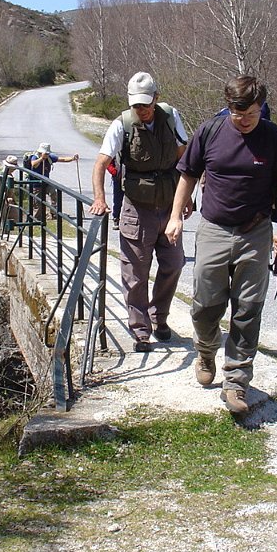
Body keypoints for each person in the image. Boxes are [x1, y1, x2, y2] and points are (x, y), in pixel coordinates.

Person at [165, 75, 277, 414]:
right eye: (239, 113)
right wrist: (175, 216)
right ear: (228, 107)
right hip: (213, 228)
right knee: (205, 304)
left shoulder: (275, 139)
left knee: (248, 308)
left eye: (252, 113)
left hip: (255, 232)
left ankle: (237, 381)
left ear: (261, 108)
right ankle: (206, 351)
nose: (245, 120)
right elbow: (188, 174)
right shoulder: (210, 131)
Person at [91, 71, 191, 352]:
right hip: (137, 209)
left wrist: (186, 198)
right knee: (135, 274)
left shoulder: (171, 117)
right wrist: (100, 198)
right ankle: (140, 330)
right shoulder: (121, 125)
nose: (142, 110)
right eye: (136, 105)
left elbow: (185, 158)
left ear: (156, 98)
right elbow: (101, 163)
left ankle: (160, 318)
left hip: (169, 207)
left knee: (173, 264)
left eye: (146, 104)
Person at [28, 143, 78, 220]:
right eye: (45, 153)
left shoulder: (50, 157)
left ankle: (54, 213)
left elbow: (62, 159)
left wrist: (72, 158)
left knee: (54, 194)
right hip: (36, 184)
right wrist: (42, 158)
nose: (47, 155)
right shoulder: (34, 157)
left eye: (47, 153)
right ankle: (37, 218)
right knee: (38, 203)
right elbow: (33, 164)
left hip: (46, 182)